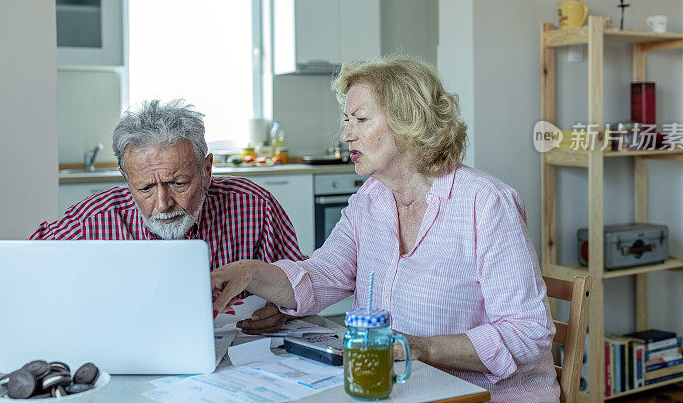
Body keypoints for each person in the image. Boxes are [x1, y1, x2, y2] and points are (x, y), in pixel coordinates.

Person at [210, 57, 559, 401]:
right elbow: (321, 275)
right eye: (347, 120)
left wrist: (416, 347)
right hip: (404, 390)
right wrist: (251, 273)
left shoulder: (487, 204)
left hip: (485, 396)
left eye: (361, 119)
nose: (347, 134)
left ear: (410, 122)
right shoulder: (370, 200)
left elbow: (528, 333)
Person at [31, 99, 305, 333]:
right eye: (145, 188)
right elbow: (11, 281)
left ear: (207, 170)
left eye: (179, 183)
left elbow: (306, 283)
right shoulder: (90, 221)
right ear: (126, 179)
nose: (163, 204)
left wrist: (283, 309)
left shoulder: (254, 205)